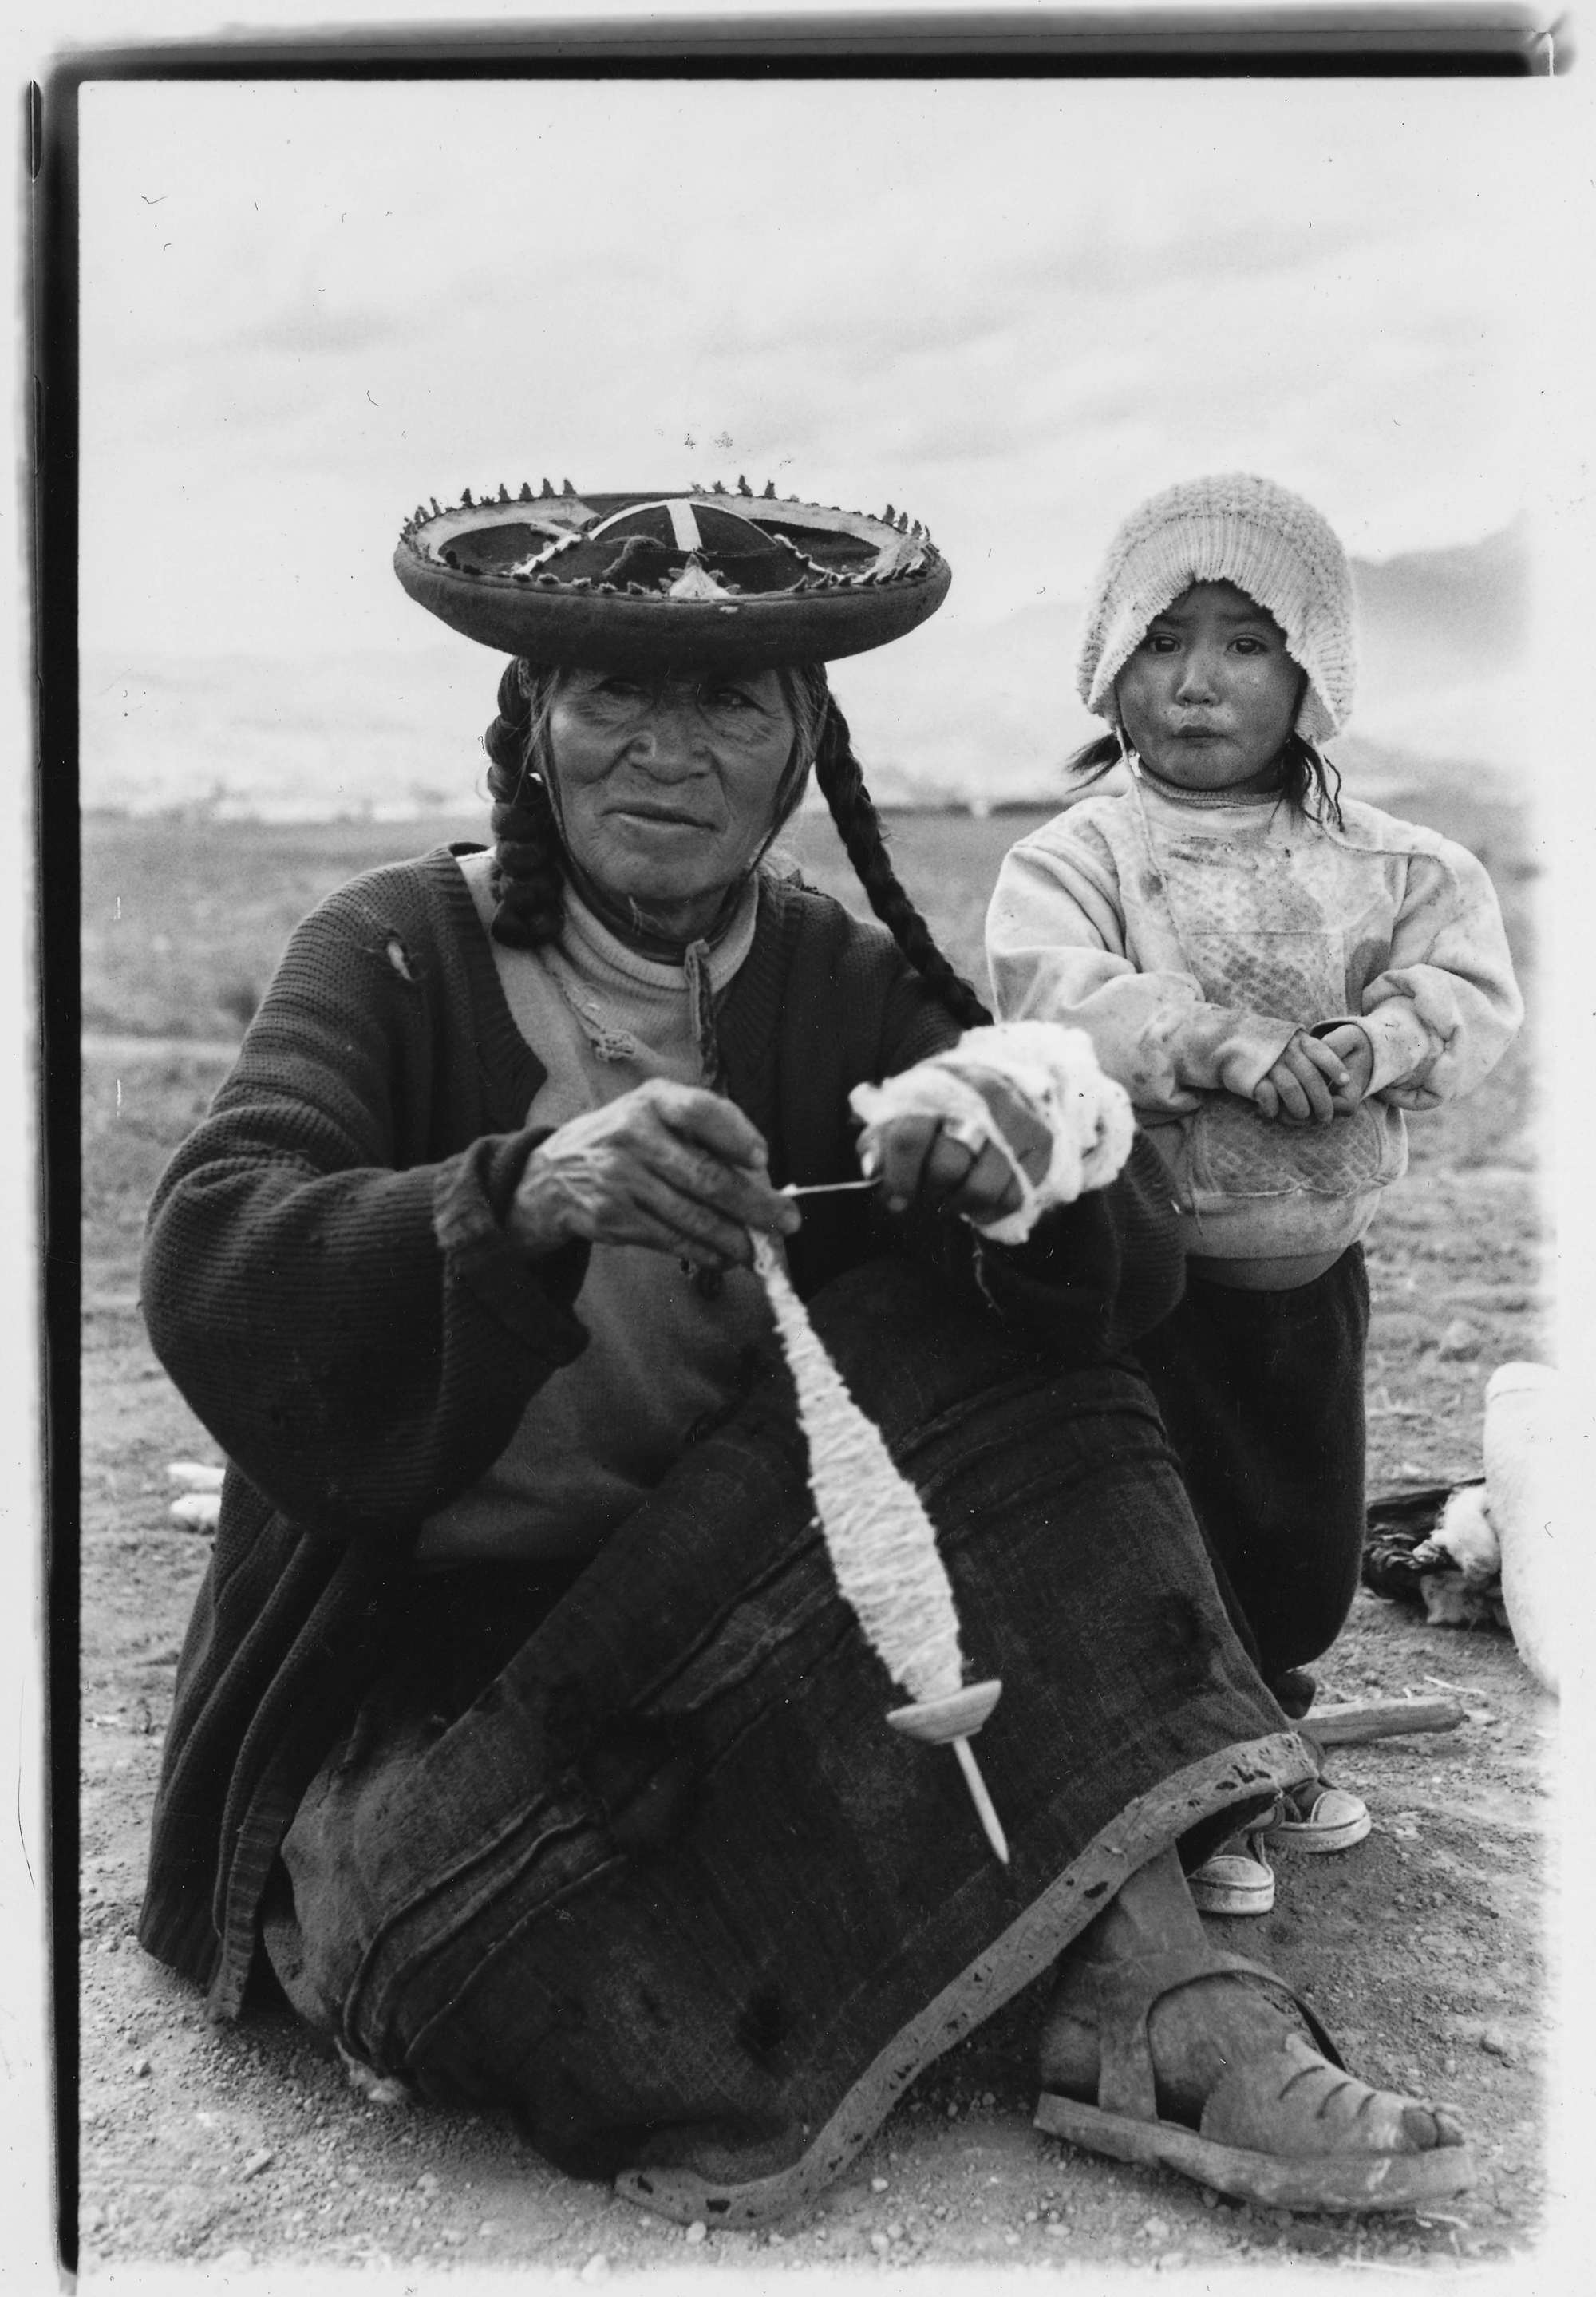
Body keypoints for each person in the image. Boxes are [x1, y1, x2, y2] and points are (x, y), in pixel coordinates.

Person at [137, 477, 1473, 2222]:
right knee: (483, 1959)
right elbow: (217, 1248)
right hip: (444, 1678)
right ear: (532, 723)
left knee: (1037, 1336)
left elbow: (1126, 1265)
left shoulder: (839, 975)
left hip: (750, 1614)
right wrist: (523, 1192)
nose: (666, 749)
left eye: (728, 702)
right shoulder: (395, 952)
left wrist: (1019, 1153)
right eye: (614, 693)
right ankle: (990, 1927)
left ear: (800, 749)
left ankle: (1153, 1983)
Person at [986, 472, 1523, 1915]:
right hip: (1152, 1282)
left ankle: (1270, 1729)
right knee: (1173, 1548)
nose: (1197, 681)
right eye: (1162, 642)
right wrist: (1219, 1040)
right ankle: (1199, 1793)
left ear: (1312, 671)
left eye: (1244, 641)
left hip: (1314, 1272)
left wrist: (1378, 1041)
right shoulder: (1077, 859)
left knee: (1300, 1547)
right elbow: (1057, 1000)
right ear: (1109, 663)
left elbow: (1470, 990)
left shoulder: (1389, 863)